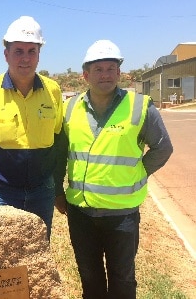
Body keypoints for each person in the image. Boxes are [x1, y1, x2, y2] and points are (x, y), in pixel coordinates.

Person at [54, 40, 173, 298]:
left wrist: (139, 172)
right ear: (86, 75)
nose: (105, 74)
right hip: (81, 212)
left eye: (111, 68)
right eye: (98, 69)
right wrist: (57, 192)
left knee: (122, 280)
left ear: (119, 73)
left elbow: (163, 148)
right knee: (90, 278)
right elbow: (61, 153)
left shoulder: (140, 107)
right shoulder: (70, 108)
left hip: (122, 215)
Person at [0, 16, 63, 239]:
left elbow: (59, 138)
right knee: (0, 258)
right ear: (6, 55)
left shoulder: (53, 91)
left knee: (37, 254)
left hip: (42, 192)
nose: (25, 58)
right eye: (18, 51)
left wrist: (58, 188)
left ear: (39, 54)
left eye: (32, 51)